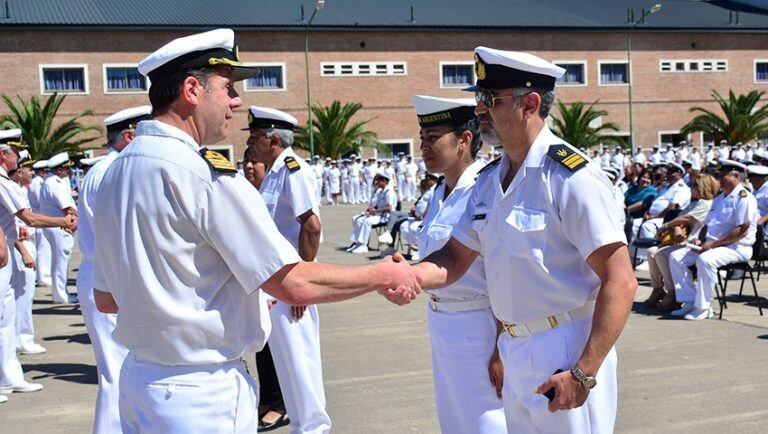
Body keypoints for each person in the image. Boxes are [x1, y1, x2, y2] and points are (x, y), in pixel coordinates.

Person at [91, 28, 420, 433]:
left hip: (140, 383)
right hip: (201, 394)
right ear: (192, 90)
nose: (236, 102)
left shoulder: (113, 174)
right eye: (228, 88)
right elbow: (292, 284)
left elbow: (106, 299)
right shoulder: (203, 174)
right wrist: (382, 274)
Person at [396, 47, 636, 433]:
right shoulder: (491, 181)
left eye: (489, 100)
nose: (478, 110)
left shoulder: (569, 176)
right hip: (515, 347)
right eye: (479, 99)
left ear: (531, 103)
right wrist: (409, 276)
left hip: (564, 347)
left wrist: (584, 373)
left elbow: (621, 280)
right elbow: (455, 257)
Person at [410, 94, 507, 432]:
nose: (424, 146)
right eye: (423, 138)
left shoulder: (487, 188)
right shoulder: (439, 192)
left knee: (489, 421)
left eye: (433, 138)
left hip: (479, 325)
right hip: (443, 322)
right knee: (453, 421)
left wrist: (502, 347)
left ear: (465, 139)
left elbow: (502, 274)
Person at [245, 105, 331, 433]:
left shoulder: (293, 170)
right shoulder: (275, 172)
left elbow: (311, 226)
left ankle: (314, 428)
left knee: (301, 365)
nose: (251, 143)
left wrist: (303, 280)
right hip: (277, 284)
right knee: (287, 366)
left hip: (293, 283)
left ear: (274, 140)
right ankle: (301, 426)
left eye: (256, 137)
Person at [77, 105, 151, 434]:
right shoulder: (111, 171)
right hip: (108, 278)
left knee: (120, 367)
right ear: (130, 136)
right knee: (116, 370)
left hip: (105, 275)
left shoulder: (105, 168)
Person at [0, 130, 72, 398]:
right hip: (2, 256)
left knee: (6, 322)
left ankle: (9, 377)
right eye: (15, 152)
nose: (18, 158)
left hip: (7, 254)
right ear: (3, 154)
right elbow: (28, 218)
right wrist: (63, 222)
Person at [668, 160, 758, 320]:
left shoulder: (744, 197)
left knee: (705, 260)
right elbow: (706, 225)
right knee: (676, 257)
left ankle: (704, 307)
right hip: (713, 245)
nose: (719, 179)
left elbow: (742, 230)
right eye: (718, 175)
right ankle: (689, 301)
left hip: (737, 247)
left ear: (736, 176)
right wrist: (700, 241)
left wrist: (712, 244)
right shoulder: (720, 198)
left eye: (722, 175)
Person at [645, 174, 718, 311]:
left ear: (704, 187)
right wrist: (676, 228)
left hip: (695, 243)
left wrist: (667, 225)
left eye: (695, 185)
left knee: (662, 254)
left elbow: (686, 218)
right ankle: (658, 288)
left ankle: (673, 293)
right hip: (685, 241)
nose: (692, 187)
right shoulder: (695, 203)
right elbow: (680, 219)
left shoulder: (707, 203)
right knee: (652, 252)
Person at [9, 153, 45, 356]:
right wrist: (24, 252)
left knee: (26, 293)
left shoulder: (21, 190)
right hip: (20, 246)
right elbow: (11, 227)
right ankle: (23, 338)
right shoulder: (12, 189)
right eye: (28, 168)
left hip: (26, 243)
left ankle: (22, 336)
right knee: (22, 294)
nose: (32, 172)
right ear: (19, 171)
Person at [39, 152, 78, 304]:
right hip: (60, 228)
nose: (69, 172)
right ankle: (61, 295)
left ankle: (60, 293)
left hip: (56, 227)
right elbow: (69, 209)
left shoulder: (50, 181)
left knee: (59, 261)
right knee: (61, 262)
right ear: (59, 170)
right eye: (66, 169)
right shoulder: (55, 184)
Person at [347, 172, 397, 254]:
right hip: (379, 215)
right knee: (359, 220)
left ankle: (364, 245)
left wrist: (375, 211)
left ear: (384, 181)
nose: (377, 182)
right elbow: (378, 205)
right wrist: (371, 210)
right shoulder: (382, 191)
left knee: (367, 221)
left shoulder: (389, 192)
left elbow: (389, 208)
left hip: (386, 217)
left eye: (379, 180)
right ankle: (358, 243)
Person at [29, 159, 51, 287]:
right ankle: (43, 277)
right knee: (43, 250)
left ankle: (44, 275)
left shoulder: (38, 183)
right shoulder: (37, 184)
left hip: (40, 220)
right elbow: (40, 202)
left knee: (44, 249)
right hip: (39, 219)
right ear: (42, 172)